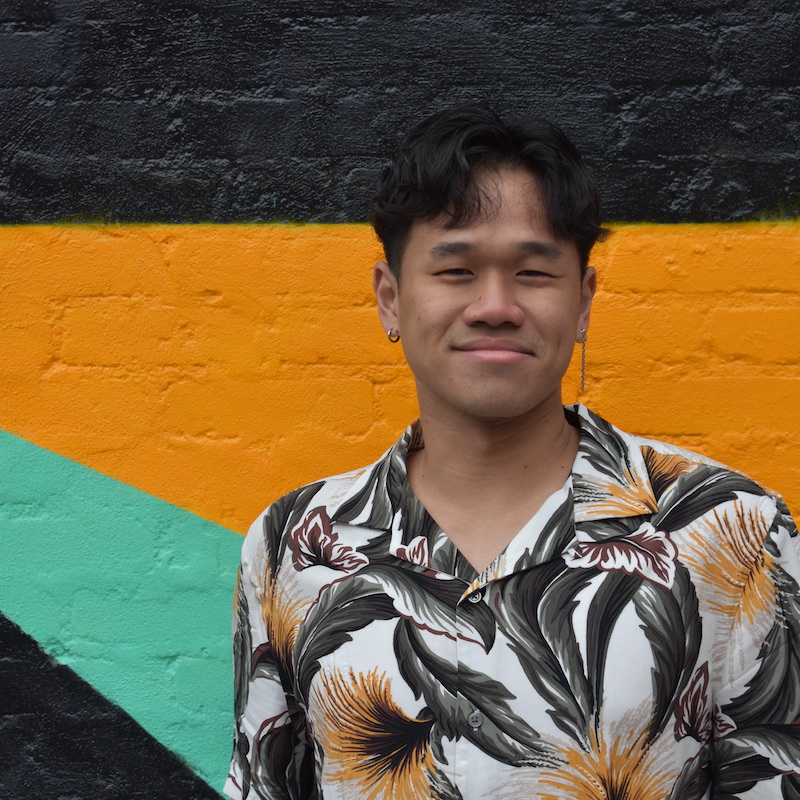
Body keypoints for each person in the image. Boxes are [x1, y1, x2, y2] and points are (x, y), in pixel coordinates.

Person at [224, 106, 800, 800]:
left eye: (532, 272)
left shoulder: (729, 531)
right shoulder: (291, 545)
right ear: (390, 299)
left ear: (583, 302)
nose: (495, 305)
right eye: (457, 270)